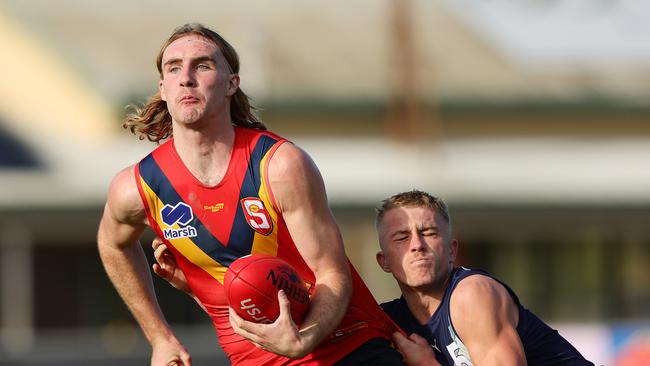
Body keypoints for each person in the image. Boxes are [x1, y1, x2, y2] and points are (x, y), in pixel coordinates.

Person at [97, 23, 403, 366]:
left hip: (348, 348)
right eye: (174, 68)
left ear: (231, 84)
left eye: (202, 65)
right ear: (164, 89)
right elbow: (112, 243)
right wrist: (160, 338)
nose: (186, 78)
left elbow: (333, 275)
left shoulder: (280, 165)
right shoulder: (138, 186)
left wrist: (303, 339)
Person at [376, 190, 595, 365]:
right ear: (383, 261)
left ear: (452, 251)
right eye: (402, 237)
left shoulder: (471, 294)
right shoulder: (388, 320)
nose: (417, 245)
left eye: (429, 233)